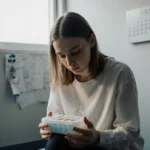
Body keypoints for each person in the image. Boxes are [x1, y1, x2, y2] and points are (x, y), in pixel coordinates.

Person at [39, 12, 144, 150]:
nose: (69, 63)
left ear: (92, 41)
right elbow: (56, 119)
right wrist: (49, 129)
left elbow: (129, 132)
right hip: (78, 145)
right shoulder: (61, 78)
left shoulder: (120, 73)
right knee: (55, 141)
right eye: (61, 56)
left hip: (111, 146)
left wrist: (98, 137)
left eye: (75, 52)